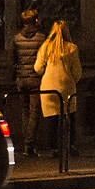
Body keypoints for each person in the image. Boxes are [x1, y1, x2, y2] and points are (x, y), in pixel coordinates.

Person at [35, 19, 81, 161]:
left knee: (51, 119)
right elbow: (77, 72)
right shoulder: (72, 48)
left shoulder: (45, 47)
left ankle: (53, 148)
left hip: (49, 88)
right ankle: (70, 145)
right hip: (66, 86)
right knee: (69, 116)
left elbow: (37, 68)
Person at [10, 10, 47, 155]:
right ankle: (29, 144)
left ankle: (26, 141)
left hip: (21, 79)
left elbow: (12, 60)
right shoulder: (41, 39)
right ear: (35, 21)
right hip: (35, 79)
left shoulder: (17, 38)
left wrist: (16, 76)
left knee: (25, 111)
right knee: (34, 112)